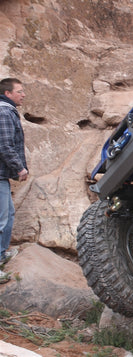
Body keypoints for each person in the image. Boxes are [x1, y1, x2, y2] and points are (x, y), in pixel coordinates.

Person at [0, 78, 27, 283]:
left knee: (8, 214)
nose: (23, 94)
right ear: (8, 93)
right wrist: (19, 168)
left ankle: (1, 254)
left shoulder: (7, 111)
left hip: (1, 176)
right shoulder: (4, 112)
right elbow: (5, 146)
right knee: (2, 220)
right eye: (19, 91)